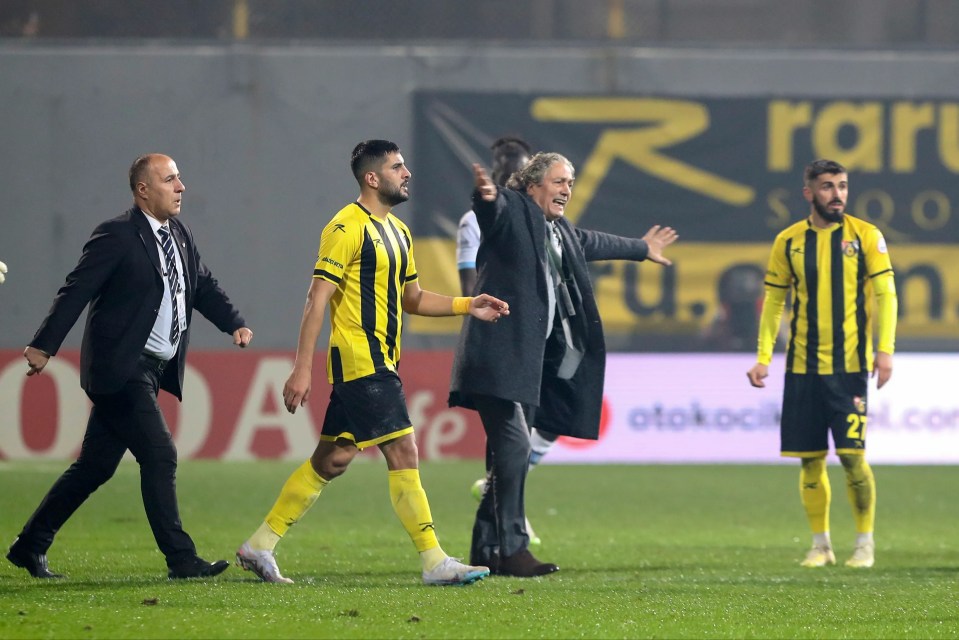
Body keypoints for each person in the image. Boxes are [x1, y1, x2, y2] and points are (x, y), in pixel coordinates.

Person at [235, 139, 509, 586]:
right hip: (360, 359)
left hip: (383, 358)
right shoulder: (345, 227)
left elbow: (413, 298)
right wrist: (302, 366)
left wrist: (467, 304)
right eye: (397, 167)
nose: (407, 173)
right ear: (372, 177)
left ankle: (259, 545)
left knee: (334, 459)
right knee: (404, 449)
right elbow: (316, 299)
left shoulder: (399, 233)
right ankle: (434, 559)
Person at [9, 153, 253, 580]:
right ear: (143, 189)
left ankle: (29, 546)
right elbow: (76, 290)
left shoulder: (179, 233)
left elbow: (202, 284)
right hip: (119, 368)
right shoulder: (117, 235)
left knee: (95, 467)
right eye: (170, 180)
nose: (181, 187)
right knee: (160, 455)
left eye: (179, 179)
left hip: (152, 369)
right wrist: (44, 345)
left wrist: (233, 322)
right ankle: (181, 559)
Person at [449, 152, 677, 577]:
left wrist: (643, 248)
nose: (567, 189)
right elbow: (493, 210)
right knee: (516, 447)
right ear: (533, 184)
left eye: (570, 182)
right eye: (558, 181)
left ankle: (486, 549)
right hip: (497, 357)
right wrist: (484, 197)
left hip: (529, 364)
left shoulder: (560, 231)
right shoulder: (513, 210)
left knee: (506, 457)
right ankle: (514, 549)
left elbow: (595, 242)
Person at [747, 159, 897, 570]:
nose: (838, 194)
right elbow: (774, 302)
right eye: (828, 186)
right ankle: (821, 545)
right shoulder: (789, 241)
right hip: (802, 368)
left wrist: (885, 350)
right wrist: (763, 358)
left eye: (843, 186)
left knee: (852, 457)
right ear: (809, 193)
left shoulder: (865, 236)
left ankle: (864, 544)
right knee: (810, 460)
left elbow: (886, 294)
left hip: (849, 367)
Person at [456, 136, 552, 545]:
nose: (506, 171)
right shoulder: (478, 218)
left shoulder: (544, 220)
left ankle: (502, 517)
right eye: (502, 164)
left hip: (538, 342)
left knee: (546, 424)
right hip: (502, 341)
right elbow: (470, 283)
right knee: (509, 439)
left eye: (517, 166)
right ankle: (503, 531)